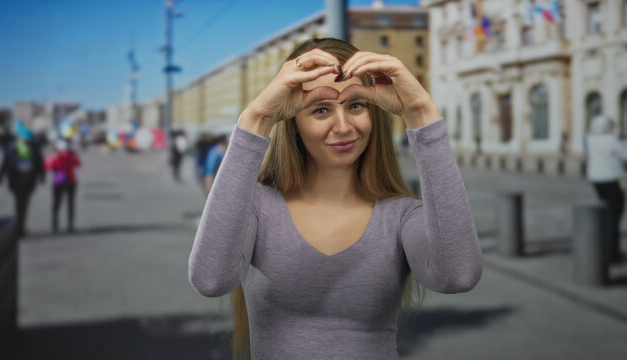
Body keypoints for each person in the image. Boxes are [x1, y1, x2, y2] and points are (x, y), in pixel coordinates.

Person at [188, 38, 482, 360]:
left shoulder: (400, 215)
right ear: (294, 123)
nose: (343, 127)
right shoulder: (258, 206)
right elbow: (210, 278)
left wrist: (421, 114)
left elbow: (459, 275)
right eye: (321, 109)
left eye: (356, 105)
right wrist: (256, 118)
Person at [585, 114, 627, 264]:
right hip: (612, 179)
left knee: (605, 213)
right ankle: (612, 253)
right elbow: (624, 155)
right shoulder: (612, 139)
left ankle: (603, 248)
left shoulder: (590, 139)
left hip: (596, 179)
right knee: (615, 215)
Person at [0, 120, 45, 237]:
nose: (27, 141)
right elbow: (5, 162)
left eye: (28, 139)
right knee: (19, 204)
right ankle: (18, 228)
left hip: (28, 180)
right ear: (19, 137)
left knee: (24, 204)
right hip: (16, 180)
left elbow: (39, 163)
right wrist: (0, 176)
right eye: (25, 139)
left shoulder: (34, 148)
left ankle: (21, 227)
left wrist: (42, 175)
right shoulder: (12, 147)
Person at [45, 139, 81, 233]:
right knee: (70, 204)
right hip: (70, 181)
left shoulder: (55, 155)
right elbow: (78, 164)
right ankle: (70, 225)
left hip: (58, 181)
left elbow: (47, 166)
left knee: (56, 204)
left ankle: (55, 224)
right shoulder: (71, 155)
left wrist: (53, 157)